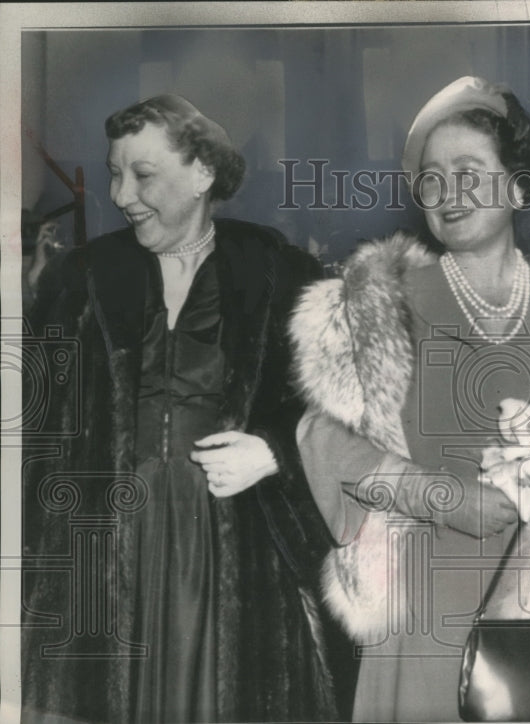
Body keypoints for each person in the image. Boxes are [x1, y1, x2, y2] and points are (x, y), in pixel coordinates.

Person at [291, 76, 530, 722]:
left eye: (469, 171)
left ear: (520, 184)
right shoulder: (382, 307)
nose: (447, 192)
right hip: (421, 618)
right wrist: (442, 495)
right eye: (432, 179)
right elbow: (323, 442)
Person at [21, 94, 338, 723]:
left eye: (142, 174)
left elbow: (340, 399)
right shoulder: (81, 275)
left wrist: (275, 449)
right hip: (106, 549)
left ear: (203, 174)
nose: (119, 194)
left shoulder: (278, 271)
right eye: (115, 172)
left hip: (235, 547)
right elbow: (34, 422)